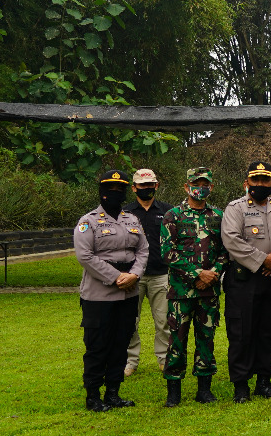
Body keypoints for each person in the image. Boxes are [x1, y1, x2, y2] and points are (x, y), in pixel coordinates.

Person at [74, 169, 149, 412]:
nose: (114, 193)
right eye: (109, 189)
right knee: (98, 345)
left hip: (129, 292)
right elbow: (84, 255)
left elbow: (143, 250)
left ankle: (114, 394)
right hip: (99, 294)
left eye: (119, 190)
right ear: (101, 191)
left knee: (121, 343)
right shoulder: (89, 221)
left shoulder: (132, 219)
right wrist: (117, 277)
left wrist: (135, 274)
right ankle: (94, 396)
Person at [221, 160, 271, 403]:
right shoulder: (235, 208)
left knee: (269, 330)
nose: (260, 184)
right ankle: (241, 385)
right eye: (255, 180)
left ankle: (264, 381)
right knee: (241, 332)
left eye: (265, 180)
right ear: (247, 183)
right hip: (245, 279)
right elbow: (231, 240)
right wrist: (263, 260)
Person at [161, 167, 226, 408]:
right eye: (196, 183)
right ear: (186, 187)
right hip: (181, 291)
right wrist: (197, 273)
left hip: (209, 291)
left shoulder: (218, 216)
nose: (202, 187)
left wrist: (214, 273)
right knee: (177, 339)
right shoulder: (173, 216)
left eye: (205, 183)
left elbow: (224, 251)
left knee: (206, 338)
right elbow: (168, 252)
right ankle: (173, 390)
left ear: (211, 186)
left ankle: (204, 389)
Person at [124, 168, 171, 376]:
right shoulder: (125, 212)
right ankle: (130, 361)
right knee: (129, 320)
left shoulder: (168, 211)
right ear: (134, 188)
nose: (147, 189)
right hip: (133, 275)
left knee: (163, 320)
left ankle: (164, 358)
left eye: (150, 185)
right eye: (143, 186)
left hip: (161, 273)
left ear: (157, 186)